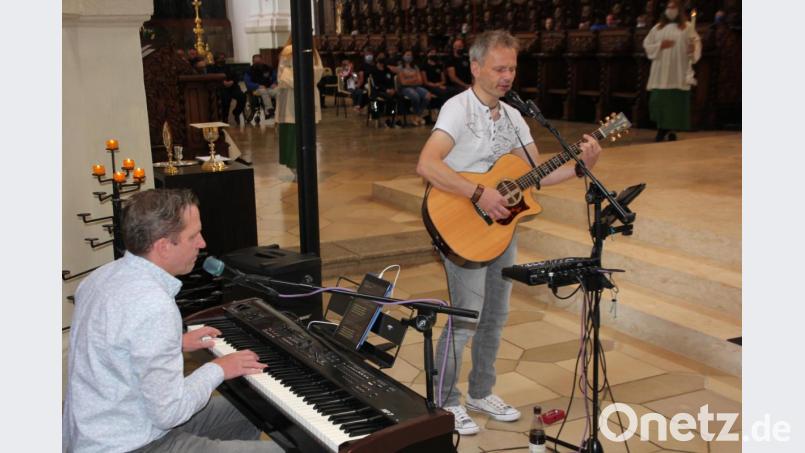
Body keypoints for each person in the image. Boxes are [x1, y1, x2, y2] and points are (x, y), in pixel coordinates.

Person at [415, 30, 602, 436]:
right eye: (499, 68)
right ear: (476, 66)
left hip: (502, 227)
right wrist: (478, 193)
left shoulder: (516, 116)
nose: (507, 76)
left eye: (512, 68)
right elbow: (427, 165)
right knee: (465, 317)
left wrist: (581, 166)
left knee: (496, 315)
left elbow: (535, 175)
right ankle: (445, 403)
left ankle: (482, 391)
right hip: (461, 222)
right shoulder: (457, 110)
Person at [63, 189, 282, 452]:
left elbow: (115, 346)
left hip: (103, 430)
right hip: (131, 444)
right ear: (163, 246)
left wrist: (174, 344)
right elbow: (170, 412)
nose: (202, 243)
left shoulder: (101, 277)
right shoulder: (152, 305)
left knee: (257, 409)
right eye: (193, 236)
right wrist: (219, 369)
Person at [642, 0, 701, 141]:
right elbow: (647, 44)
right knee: (658, 100)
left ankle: (669, 130)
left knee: (675, 102)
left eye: (673, 7)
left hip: (677, 70)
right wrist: (660, 45)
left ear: (679, 10)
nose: (670, 10)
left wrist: (693, 50)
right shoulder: (658, 28)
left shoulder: (687, 28)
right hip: (661, 70)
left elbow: (695, 45)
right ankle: (662, 128)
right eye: (668, 7)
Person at [276, 37, 324, 180]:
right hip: (291, 97)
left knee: (307, 134)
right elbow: (282, 74)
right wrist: (302, 76)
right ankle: (295, 167)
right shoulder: (287, 51)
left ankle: (306, 167)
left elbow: (318, 70)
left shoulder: (313, 51)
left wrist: (303, 75)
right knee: (291, 134)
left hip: (308, 96)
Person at [209, 52, 246, 126]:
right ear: (216, 60)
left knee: (242, 96)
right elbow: (211, 78)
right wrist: (222, 82)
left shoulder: (229, 67)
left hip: (233, 87)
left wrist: (232, 81)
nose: (222, 59)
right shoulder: (212, 68)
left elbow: (236, 76)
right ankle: (225, 118)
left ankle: (236, 112)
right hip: (221, 88)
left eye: (223, 58)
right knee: (225, 99)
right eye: (220, 58)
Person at [398, 50, 432, 126]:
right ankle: (417, 116)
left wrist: (409, 79)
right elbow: (403, 82)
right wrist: (414, 78)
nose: (409, 57)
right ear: (403, 56)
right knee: (415, 96)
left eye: (410, 55)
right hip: (405, 88)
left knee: (428, 95)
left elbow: (420, 81)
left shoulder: (415, 67)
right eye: (407, 55)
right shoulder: (400, 68)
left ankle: (417, 115)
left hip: (416, 87)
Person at [244, 54, 278, 119]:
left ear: (262, 61)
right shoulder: (249, 71)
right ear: (253, 62)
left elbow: (275, 78)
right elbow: (247, 83)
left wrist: (274, 83)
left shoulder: (268, 68)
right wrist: (258, 86)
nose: (258, 64)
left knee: (278, 91)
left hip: (268, 88)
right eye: (256, 62)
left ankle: (280, 110)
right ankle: (269, 110)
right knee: (263, 90)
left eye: (259, 62)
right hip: (256, 90)